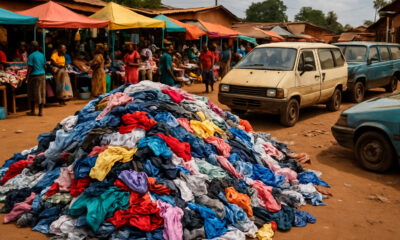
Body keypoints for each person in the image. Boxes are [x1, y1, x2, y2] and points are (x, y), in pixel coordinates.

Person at [26, 41, 46, 116]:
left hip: (34, 76)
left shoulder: (31, 56)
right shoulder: (42, 55)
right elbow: (44, 66)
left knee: (32, 94)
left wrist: (27, 77)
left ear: (33, 47)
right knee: (41, 93)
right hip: (42, 75)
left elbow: (30, 68)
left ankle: (33, 111)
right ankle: (40, 111)